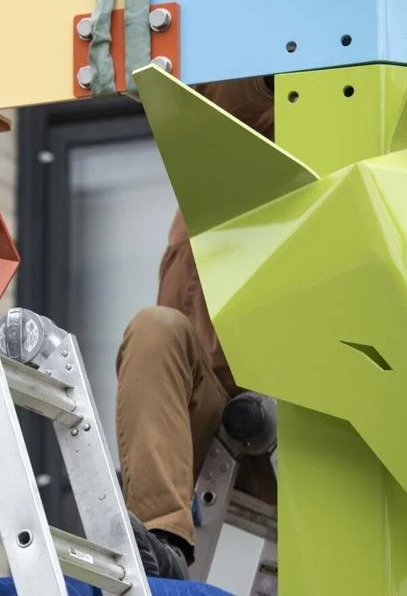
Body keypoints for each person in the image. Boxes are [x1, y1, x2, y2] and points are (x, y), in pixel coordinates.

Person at [118, 76, 280, 579]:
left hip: (295, 431)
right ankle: (161, 540)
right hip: (208, 425)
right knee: (155, 329)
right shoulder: (197, 210)